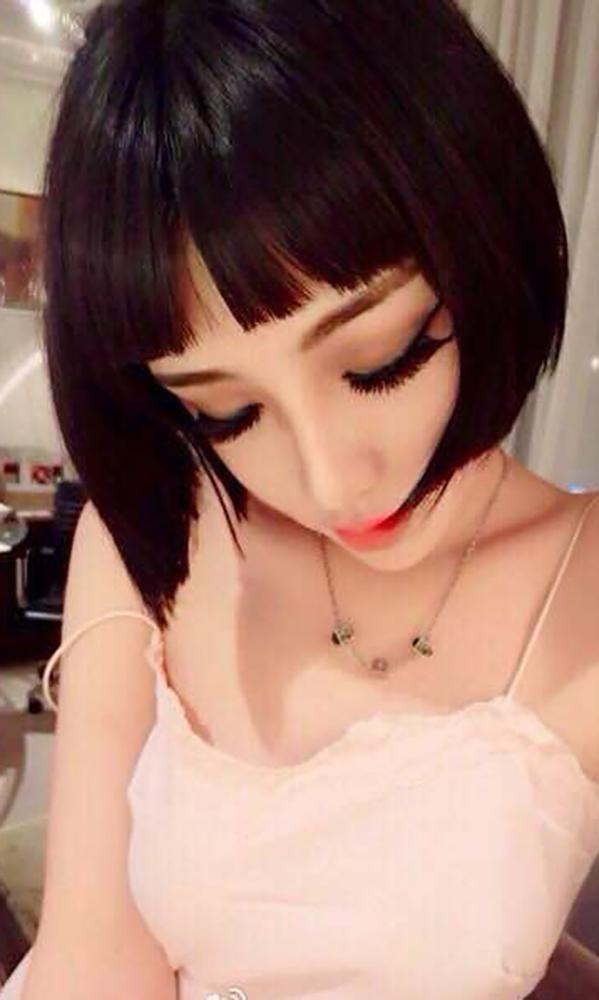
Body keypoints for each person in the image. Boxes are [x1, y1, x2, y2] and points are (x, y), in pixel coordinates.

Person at [2, 0, 599, 997]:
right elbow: (91, 955)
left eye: (378, 359)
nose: (328, 480)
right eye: (227, 412)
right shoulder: (158, 530)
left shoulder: (581, 585)